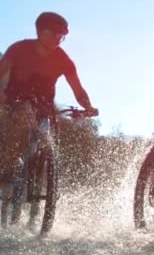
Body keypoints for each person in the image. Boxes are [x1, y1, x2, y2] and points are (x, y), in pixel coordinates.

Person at [0, 11, 98, 187]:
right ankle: (9, 167)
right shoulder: (19, 49)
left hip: (43, 107)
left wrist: (88, 106)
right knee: (23, 116)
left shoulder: (63, 60)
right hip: (15, 102)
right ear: (39, 31)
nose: (57, 38)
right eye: (52, 33)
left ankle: (45, 180)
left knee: (49, 137)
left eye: (61, 36)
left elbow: (78, 90)